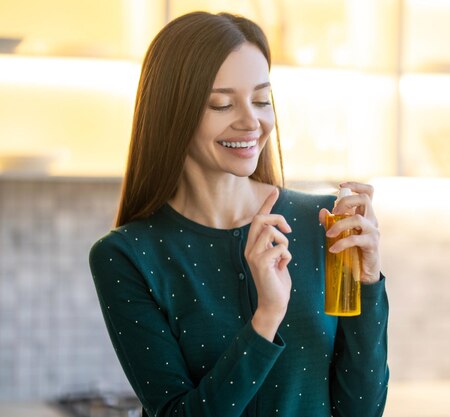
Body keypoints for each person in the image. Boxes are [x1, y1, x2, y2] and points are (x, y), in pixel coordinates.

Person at [89, 11, 389, 417]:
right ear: (172, 112)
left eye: (262, 100)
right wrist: (267, 317)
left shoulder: (323, 224)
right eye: (222, 104)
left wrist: (369, 285)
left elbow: (361, 411)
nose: (252, 122)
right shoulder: (127, 255)